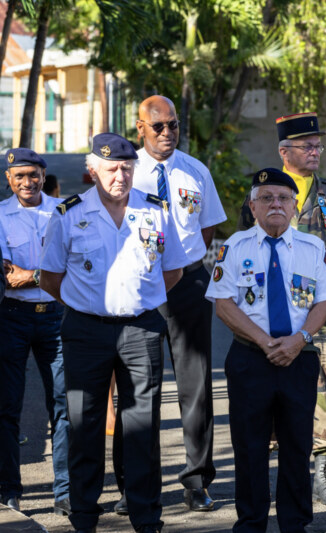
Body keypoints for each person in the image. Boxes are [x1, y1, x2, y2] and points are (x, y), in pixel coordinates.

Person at [39, 133, 189, 533]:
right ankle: (84, 515)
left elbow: (172, 270)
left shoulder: (155, 211)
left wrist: (140, 298)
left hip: (141, 327)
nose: (120, 175)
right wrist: (84, 303)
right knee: (84, 424)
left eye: (126, 167)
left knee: (142, 428)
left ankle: (145, 516)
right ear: (93, 171)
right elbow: (51, 276)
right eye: (110, 168)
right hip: (86, 330)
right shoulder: (69, 213)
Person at [206, 167, 326, 532]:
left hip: (299, 358)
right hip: (251, 359)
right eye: (266, 198)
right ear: (253, 206)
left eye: (283, 198)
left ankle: (294, 523)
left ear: (295, 206)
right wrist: (266, 343)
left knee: (297, 446)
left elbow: (324, 303)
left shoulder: (313, 248)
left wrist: (299, 341)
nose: (275, 204)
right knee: (250, 448)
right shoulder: (234, 247)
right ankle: (251, 523)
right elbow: (224, 304)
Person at [241, 112, 326, 504]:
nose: (315, 151)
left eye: (318, 145)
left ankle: (322, 471)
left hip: (321, 314)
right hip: (270, 315)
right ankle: (275, 472)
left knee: (322, 389)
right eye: (307, 145)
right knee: (270, 388)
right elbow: (246, 246)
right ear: (283, 150)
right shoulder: (264, 192)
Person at [123, 94, 227, 513]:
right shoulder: (124, 172)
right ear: (141, 130)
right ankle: (135, 485)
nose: (168, 133)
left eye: (174, 125)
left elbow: (206, 230)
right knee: (137, 389)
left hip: (187, 283)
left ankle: (197, 480)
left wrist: (179, 267)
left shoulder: (195, 171)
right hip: (139, 287)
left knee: (196, 386)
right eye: (159, 126)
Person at [0, 148, 70, 515]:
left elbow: (73, 264)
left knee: (63, 405)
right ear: (9, 180)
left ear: (44, 176)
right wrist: (45, 274)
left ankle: (65, 491)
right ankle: (9, 490)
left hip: (56, 317)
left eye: (34, 175)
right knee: (6, 407)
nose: (27, 182)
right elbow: (3, 274)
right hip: (11, 317)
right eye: (19, 176)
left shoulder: (64, 211)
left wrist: (29, 275)